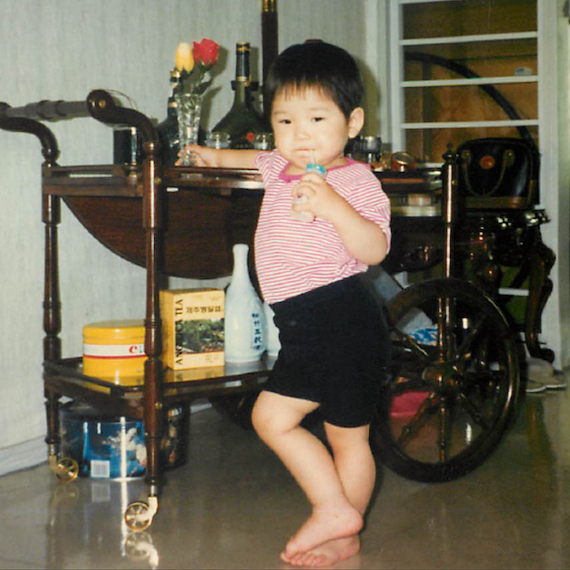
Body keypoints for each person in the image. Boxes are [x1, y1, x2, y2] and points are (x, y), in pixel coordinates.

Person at [180, 41, 391, 568]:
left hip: (340, 318)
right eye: (285, 121)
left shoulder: (356, 181)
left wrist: (335, 207)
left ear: (353, 122)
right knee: (281, 420)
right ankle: (340, 517)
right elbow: (254, 159)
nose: (301, 135)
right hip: (303, 324)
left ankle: (337, 519)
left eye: (317, 118)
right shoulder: (282, 166)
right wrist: (212, 157)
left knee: (335, 435)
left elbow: (375, 249)